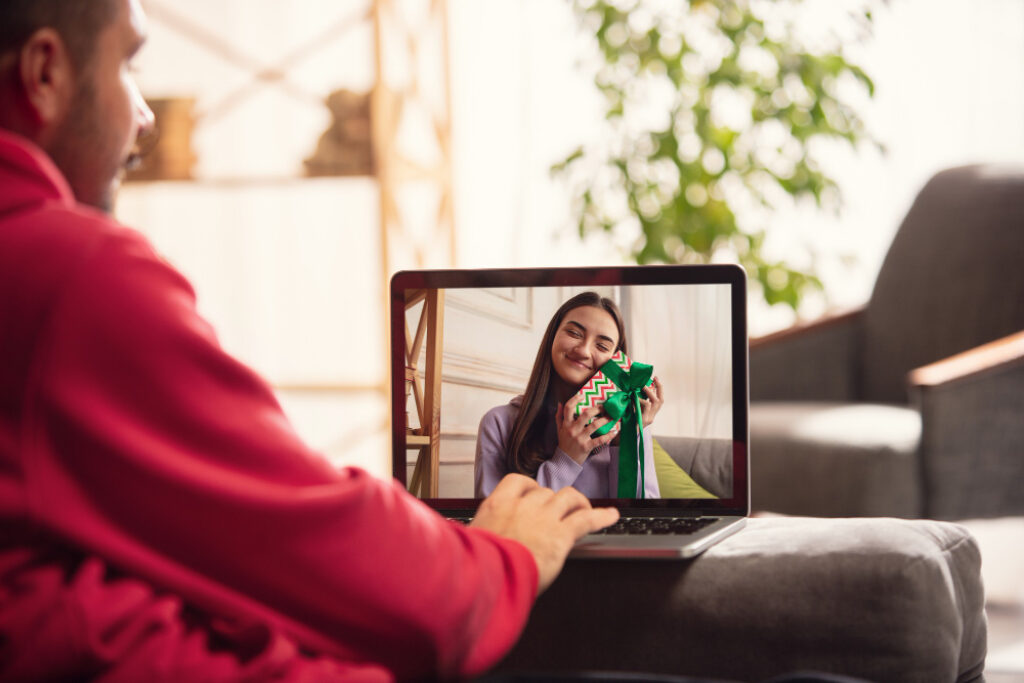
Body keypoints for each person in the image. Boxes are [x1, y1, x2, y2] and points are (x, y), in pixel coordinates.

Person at [0, 1, 619, 679]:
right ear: (45, 74)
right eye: (129, 65)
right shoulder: (68, 276)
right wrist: (507, 557)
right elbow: (384, 580)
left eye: (605, 346)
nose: (146, 116)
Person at [475, 291, 664, 499]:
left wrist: (625, 443)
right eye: (574, 333)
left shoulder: (631, 424)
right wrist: (566, 459)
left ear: (615, 359)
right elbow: (491, 524)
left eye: (601, 346)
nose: (583, 351)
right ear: (553, 336)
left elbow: (641, 520)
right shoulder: (499, 423)